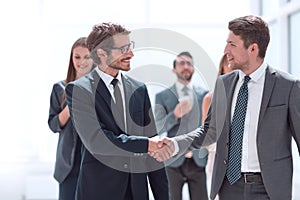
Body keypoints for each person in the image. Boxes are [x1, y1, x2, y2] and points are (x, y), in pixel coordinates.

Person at [152, 15, 300, 200]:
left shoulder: (287, 86)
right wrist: (175, 144)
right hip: (229, 186)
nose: (225, 50)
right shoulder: (223, 84)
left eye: (232, 44)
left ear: (253, 48)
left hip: (269, 189)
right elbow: (209, 131)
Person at [65, 22, 169, 200]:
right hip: (99, 191)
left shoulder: (139, 89)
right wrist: (146, 144)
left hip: (136, 191)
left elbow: (154, 148)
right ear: (101, 53)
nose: (131, 53)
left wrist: (163, 196)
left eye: (130, 46)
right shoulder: (79, 90)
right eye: (123, 49)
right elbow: (97, 141)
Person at [154, 51, 209, 200]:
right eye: (181, 63)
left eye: (189, 63)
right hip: (173, 160)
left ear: (193, 68)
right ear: (174, 69)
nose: (186, 66)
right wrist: (174, 115)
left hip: (198, 159)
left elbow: (208, 126)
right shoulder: (162, 96)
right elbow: (158, 127)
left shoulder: (205, 95)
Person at [48, 37, 95, 200]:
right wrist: (71, 105)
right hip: (68, 164)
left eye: (87, 57)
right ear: (71, 58)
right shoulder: (59, 88)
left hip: (93, 162)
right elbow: (54, 125)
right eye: (77, 57)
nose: (82, 61)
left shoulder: (100, 89)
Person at [201, 54, 233, 200]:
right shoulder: (210, 98)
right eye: (228, 64)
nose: (232, 67)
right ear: (222, 69)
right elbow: (206, 131)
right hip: (217, 153)